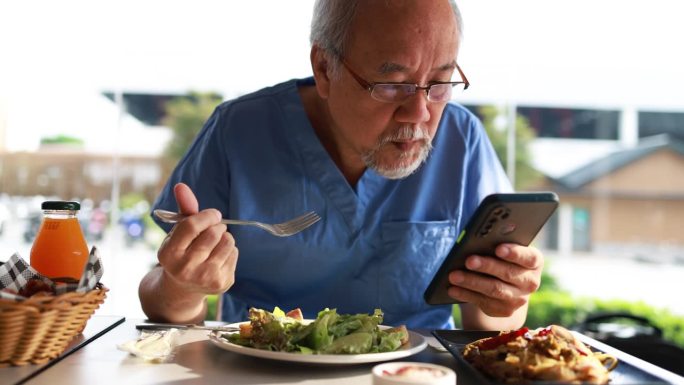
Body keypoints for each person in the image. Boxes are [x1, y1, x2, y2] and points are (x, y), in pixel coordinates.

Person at [139, 0, 545, 331]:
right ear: (324, 68)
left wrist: (505, 297)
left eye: (440, 83)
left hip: (412, 374)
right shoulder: (239, 131)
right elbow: (166, 311)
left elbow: (488, 328)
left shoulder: (462, 140)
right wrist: (182, 285)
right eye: (392, 84)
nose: (419, 112)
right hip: (262, 371)